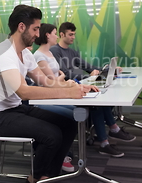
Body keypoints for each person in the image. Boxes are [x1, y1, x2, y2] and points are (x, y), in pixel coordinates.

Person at [0, 4, 94, 183]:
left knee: (68, 124)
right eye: (35, 29)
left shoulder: (25, 53)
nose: (38, 33)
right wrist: (66, 92)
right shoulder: (4, 53)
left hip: (15, 109)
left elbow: (44, 81)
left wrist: (72, 84)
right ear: (21, 27)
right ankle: (38, 182)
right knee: (51, 134)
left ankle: (46, 176)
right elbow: (23, 91)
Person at [50, 22, 135, 156]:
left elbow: (87, 66)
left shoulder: (72, 51)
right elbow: (64, 73)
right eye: (70, 34)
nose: (73, 37)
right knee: (96, 103)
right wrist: (86, 76)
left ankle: (113, 130)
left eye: (74, 35)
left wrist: (103, 70)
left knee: (100, 97)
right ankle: (106, 140)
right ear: (62, 34)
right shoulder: (55, 51)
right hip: (66, 88)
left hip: (77, 84)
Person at [33, 23, 77, 172]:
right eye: (54, 33)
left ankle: (63, 152)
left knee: (76, 109)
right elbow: (51, 82)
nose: (57, 36)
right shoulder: (38, 56)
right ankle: (62, 155)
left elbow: (57, 78)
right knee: (72, 115)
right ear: (47, 35)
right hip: (44, 98)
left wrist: (62, 79)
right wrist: (63, 79)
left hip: (53, 93)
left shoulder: (50, 53)